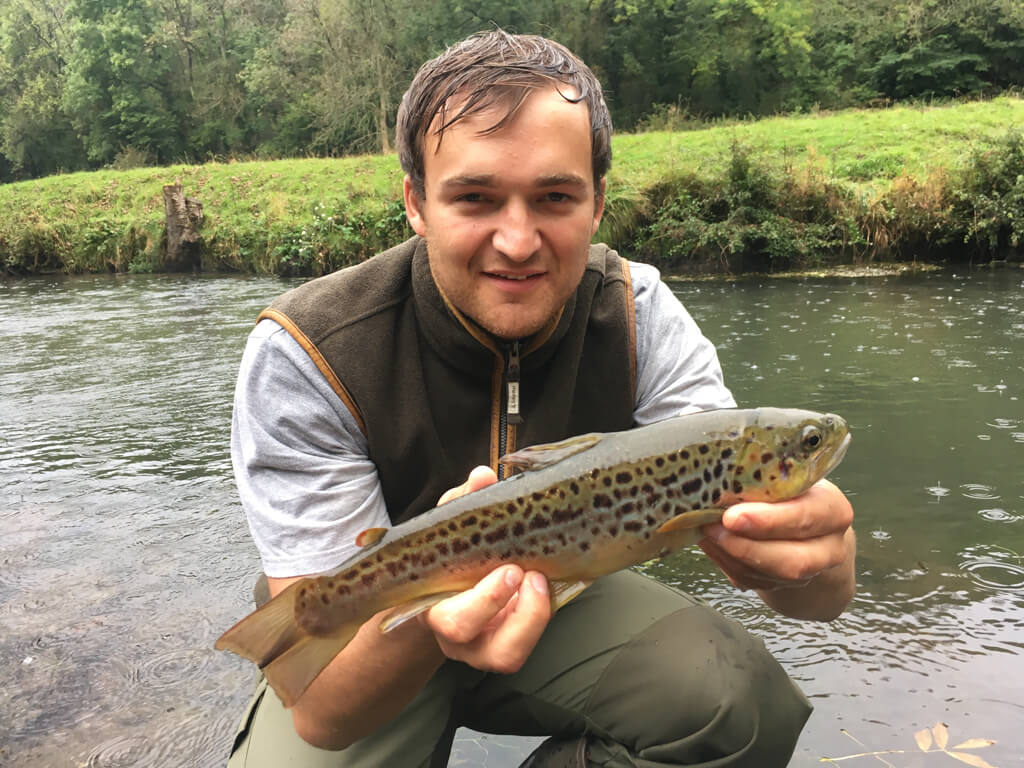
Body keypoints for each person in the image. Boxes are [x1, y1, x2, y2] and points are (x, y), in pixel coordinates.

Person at [225, 29, 856, 768]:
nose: (518, 241)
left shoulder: (637, 314)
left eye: (555, 197)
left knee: (740, 704)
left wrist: (820, 563)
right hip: (383, 624)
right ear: (416, 202)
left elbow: (820, 598)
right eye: (475, 197)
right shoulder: (308, 350)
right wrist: (433, 615)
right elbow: (325, 716)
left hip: (566, 595)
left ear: (597, 203)